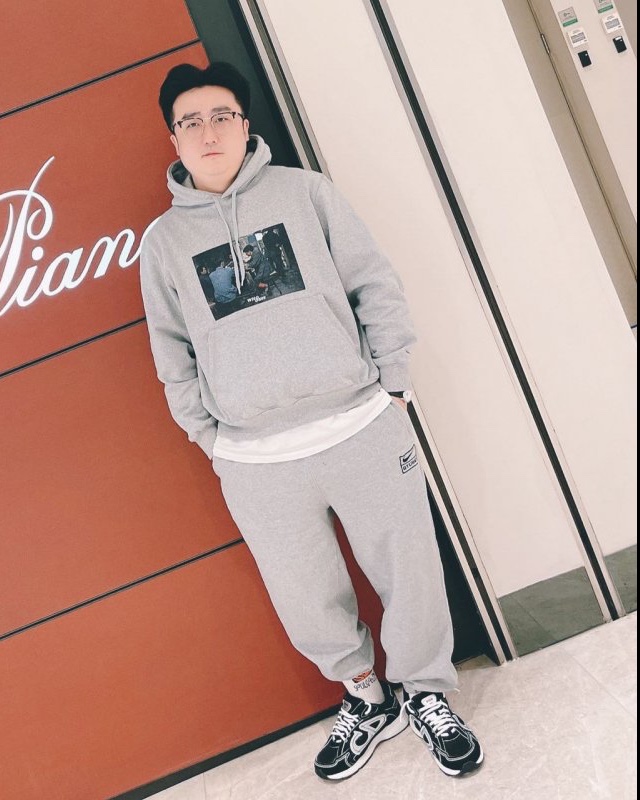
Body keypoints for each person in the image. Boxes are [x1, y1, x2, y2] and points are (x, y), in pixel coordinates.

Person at [140, 61, 483, 782]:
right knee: (304, 596)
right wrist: (211, 439)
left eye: (222, 116)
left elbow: (374, 284)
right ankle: (366, 697)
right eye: (190, 122)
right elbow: (171, 353)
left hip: (360, 424)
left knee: (409, 571)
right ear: (173, 138)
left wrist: (393, 389)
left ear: (245, 125)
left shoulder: (306, 193)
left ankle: (426, 692)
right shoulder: (163, 244)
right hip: (255, 459)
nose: (208, 132)